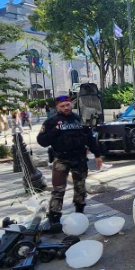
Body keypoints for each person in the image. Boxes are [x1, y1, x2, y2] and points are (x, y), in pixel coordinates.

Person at [36, 95, 103, 232]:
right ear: (57, 107)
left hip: (79, 159)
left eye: (68, 105)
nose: (66, 108)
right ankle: (54, 219)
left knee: (80, 188)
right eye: (63, 106)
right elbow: (42, 141)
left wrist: (97, 155)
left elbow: (89, 138)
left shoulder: (79, 119)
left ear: (71, 105)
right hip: (61, 159)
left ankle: (79, 215)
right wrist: (55, 130)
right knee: (58, 190)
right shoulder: (51, 122)